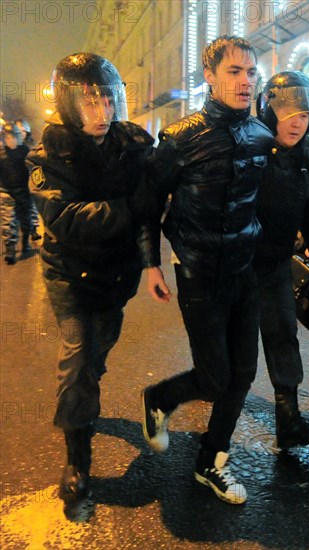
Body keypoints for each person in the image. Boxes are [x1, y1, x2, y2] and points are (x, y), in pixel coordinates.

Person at [140, 36, 274, 505]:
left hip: (245, 270)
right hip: (198, 272)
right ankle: (159, 398)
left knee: (242, 375)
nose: (245, 81)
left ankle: (211, 462)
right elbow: (148, 201)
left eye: (251, 72)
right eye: (234, 72)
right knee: (215, 377)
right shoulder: (181, 136)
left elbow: (265, 199)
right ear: (210, 78)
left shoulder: (261, 135)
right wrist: (151, 263)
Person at [26, 53, 154, 520]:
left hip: (117, 275)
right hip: (70, 278)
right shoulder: (48, 155)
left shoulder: (132, 144)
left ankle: (85, 399)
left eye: (108, 99)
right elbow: (65, 219)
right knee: (79, 362)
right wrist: (131, 206)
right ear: (67, 105)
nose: (101, 113)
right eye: (89, 102)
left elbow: (156, 201)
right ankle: (78, 461)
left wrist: (152, 261)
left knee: (96, 358)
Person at [254, 71, 309, 449]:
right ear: (269, 111)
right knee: (226, 360)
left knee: (283, 336)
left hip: (274, 266)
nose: (298, 123)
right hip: (234, 267)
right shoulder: (247, 147)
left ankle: (288, 420)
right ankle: (213, 432)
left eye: (305, 116)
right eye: (289, 113)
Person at [0, 122, 36, 264]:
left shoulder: (25, 152)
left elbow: (33, 169)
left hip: (24, 192)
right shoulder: (1, 154)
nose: (11, 140)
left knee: (25, 221)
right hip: (6, 192)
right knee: (8, 222)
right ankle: (10, 249)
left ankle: (26, 242)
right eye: (7, 137)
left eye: (13, 137)